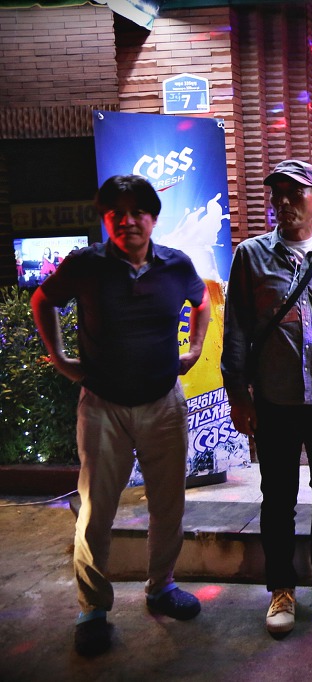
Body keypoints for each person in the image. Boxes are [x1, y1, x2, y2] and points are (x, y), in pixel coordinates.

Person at [31, 174, 211, 657]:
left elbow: (203, 300)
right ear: (106, 218)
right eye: (116, 213)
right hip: (103, 406)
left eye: (138, 212)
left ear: (153, 217)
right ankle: (92, 609)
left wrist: (195, 349)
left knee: (168, 503)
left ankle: (162, 586)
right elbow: (42, 300)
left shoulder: (176, 264)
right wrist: (59, 358)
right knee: (96, 509)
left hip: (163, 402)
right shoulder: (86, 265)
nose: (128, 221)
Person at [222, 159, 312, 637]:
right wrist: (238, 394)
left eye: (295, 193)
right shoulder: (250, 256)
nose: (283, 202)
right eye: (277, 194)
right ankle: (281, 587)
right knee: (278, 496)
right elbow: (236, 331)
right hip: (275, 398)